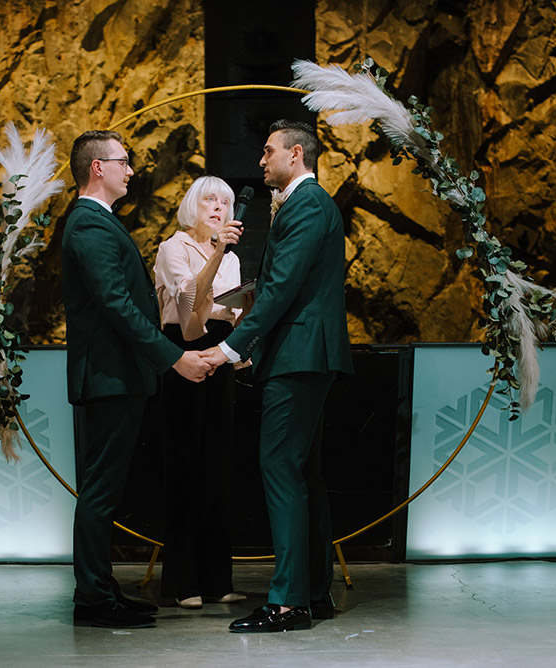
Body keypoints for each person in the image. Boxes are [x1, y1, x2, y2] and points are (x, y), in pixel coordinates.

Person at [202, 120, 353, 633]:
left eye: (268, 152)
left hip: (300, 354)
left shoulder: (308, 204)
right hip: (303, 353)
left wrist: (228, 348)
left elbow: (284, 286)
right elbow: (287, 282)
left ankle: (289, 602)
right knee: (304, 473)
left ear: (295, 154)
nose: (260, 161)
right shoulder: (304, 205)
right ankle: (314, 592)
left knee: (281, 470)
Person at [61, 130, 212, 629]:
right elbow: (117, 306)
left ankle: (101, 591)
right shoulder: (87, 223)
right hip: (109, 376)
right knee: (100, 491)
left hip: (120, 375)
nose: (131, 170)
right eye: (123, 162)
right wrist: (173, 358)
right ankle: (92, 599)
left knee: (106, 489)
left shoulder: (98, 223)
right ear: (97, 168)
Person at [153, 176, 250, 609]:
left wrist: (243, 319)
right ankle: (181, 582)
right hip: (183, 353)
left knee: (218, 466)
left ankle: (217, 579)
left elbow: (228, 314)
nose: (218, 208)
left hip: (219, 354)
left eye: (225, 202)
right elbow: (191, 308)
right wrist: (218, 254)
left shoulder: (231, 259)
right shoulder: (173, 247)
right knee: (183, 465)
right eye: (209, 200)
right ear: (192, 205)